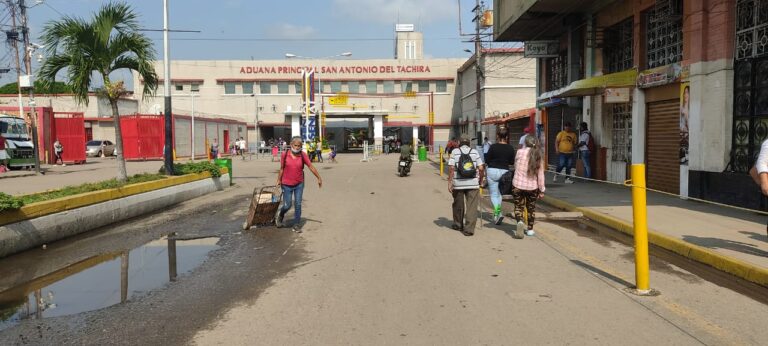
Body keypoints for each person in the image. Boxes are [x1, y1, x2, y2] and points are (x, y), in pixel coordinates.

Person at [276, 136, 323, 233]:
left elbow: (310, 166)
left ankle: (296, 224)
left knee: (298, 203)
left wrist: (318, 177)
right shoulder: (284, 155)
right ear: (291, 144)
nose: (297, 147)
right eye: (295, 145)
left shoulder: (303, 155)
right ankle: (280, 215)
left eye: (299, 146)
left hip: (299, 184)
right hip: (286, 184)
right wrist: (278, 179)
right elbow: (281, 168)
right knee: (287, 205)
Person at [448, 134, 485, 236]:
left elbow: (451, 169)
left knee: (458, 204)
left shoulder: (455, 152)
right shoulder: (474, 152)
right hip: (472, 183)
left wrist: (450, 183)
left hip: (458, 183)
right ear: (469, 143)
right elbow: (481, 168)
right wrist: (481, 180)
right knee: (472, 206)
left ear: (459, 143)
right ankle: (469, 229)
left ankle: (458, 224)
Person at [512, 135, 546, 238]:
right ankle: (530, 230)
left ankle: (520, 222)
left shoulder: (519, 152)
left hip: (518, 185)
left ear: (525, 143)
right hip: (532, 187)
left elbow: (515, 165)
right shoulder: (538, 155)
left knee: (518, 207)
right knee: (531, 208)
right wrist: (542, 190)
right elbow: (540, 175)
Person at [484, 128, 515, 225]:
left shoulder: (493, 147)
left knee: (494, 194)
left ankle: (498, 212)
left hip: (492, 171)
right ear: (507, 137)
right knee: (500, 194)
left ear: (497, 136)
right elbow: (512, 162)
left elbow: (487, 159)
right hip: (504, 173)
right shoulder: (510, 148)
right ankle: (497, 214)